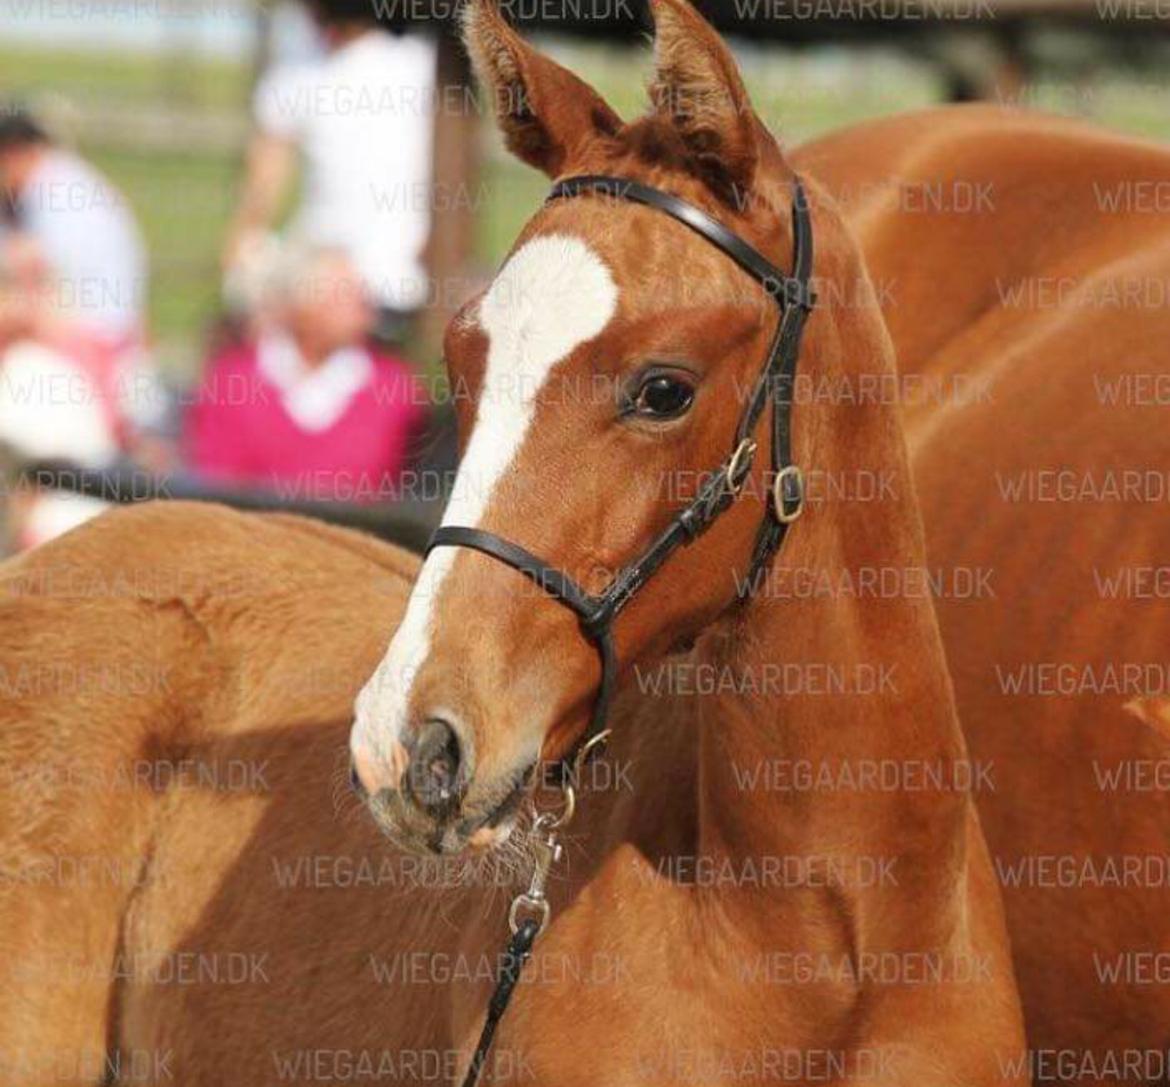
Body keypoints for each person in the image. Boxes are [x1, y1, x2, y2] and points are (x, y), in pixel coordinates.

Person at [223, 0, 438, 344]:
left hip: (322, 290)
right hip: (409, 285)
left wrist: (240, 269)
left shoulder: (296, 75)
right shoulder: (426, 63)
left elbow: (257, 202)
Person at [187, 246, 427, 501]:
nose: (362, 307)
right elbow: (217, 487)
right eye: (340, 296)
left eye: (360, 294)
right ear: (295, 306)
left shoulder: (396, 388)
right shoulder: (231, 381)